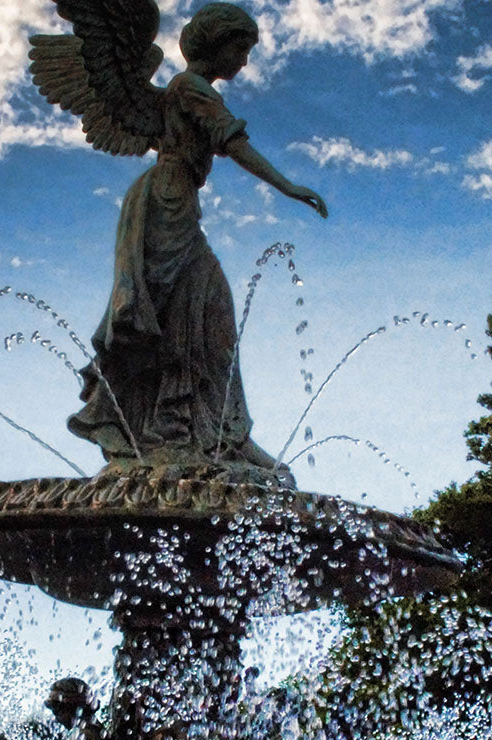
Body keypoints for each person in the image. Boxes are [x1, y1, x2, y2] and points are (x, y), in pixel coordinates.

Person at [59, 3, 327, 474]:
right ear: (216, 43)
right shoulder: (191, 87)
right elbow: (233, 142)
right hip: (166, 204)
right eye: (240, 48)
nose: (243, 60)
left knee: (204, 313)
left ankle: (205, 432)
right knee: (171, 314)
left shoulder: (185, 89)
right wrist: (288, 186)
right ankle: (186, 432)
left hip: (171, 200)